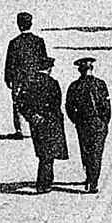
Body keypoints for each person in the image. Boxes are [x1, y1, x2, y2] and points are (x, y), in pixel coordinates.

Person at [16, 56, 68, 194]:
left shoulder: (29, 83)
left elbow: (20, 102)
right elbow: (56, 104)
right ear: (49, 69)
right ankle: (44, 183)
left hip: (36, 123)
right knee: (48, 155)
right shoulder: (53, 83)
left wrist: (31, 115)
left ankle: (44, 182)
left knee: (42, 152)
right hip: (50, 122)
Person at [64, 56, 112, 194]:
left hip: (83, 123)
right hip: (98, 122)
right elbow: (107, 106)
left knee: (85, 151)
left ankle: (89, 176)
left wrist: (76, 120)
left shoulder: (75, 86)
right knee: (96, 152)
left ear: (80, 70)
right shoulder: (100, 84)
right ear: (92, 69)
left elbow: (69, 107)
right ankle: (93, 180)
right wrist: (104, 121)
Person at [5, 12, 47, 140]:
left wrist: (8, 78)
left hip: (19, 78)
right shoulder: (39, 41)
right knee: (35, 101)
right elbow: (43, 61)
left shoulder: (14, 42)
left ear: (18, 25)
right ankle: (36, 127)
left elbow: (9, 63)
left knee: (18, 102)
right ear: (31, 24)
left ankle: (20, 130)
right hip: (34, 78)